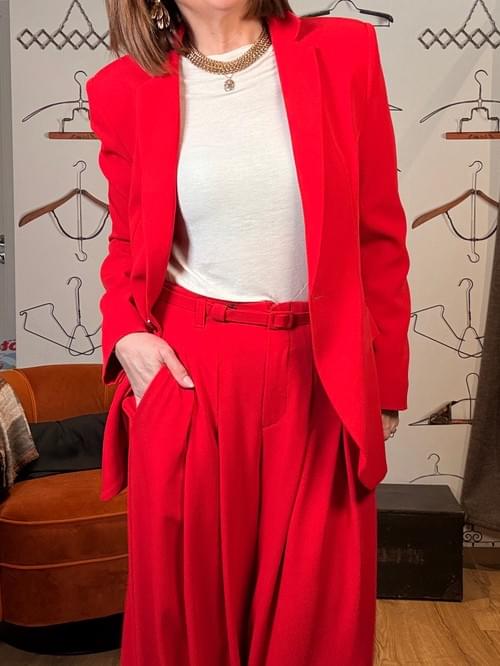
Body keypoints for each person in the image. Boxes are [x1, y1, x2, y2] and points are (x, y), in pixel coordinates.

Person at [86, 1, 411, 664]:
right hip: (191, 376)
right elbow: (126, 243)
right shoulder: (121, 90)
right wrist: (125, 336)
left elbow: (378, 233)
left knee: (315, 629)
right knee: (187, 633)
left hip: (323, 378)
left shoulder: (346, 55)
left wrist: (386, 383)